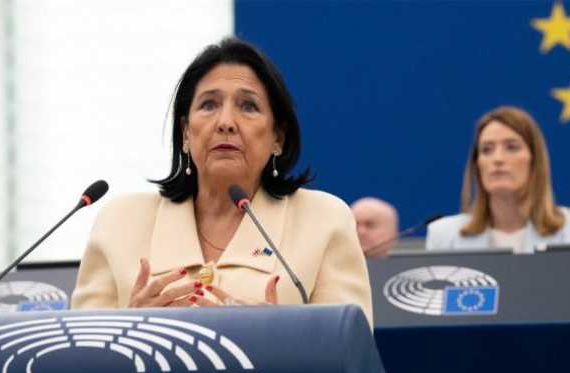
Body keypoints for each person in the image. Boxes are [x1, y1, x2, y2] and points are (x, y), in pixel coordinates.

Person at [72, 38, 372, 326]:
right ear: (185, 132)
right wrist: (132, 328)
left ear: (277, 137)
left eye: (248, 106)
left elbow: (351, 348)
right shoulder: (119, 223)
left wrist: (280, 338)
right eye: (209, 105)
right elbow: (80, 355)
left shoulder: (324, 220)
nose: (225, 122)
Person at [426, 106, 570, 253]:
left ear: (534, 159)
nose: (497, 159)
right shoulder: (444, 236)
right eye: (487, 150)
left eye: (511, 147)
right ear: (477, 164)